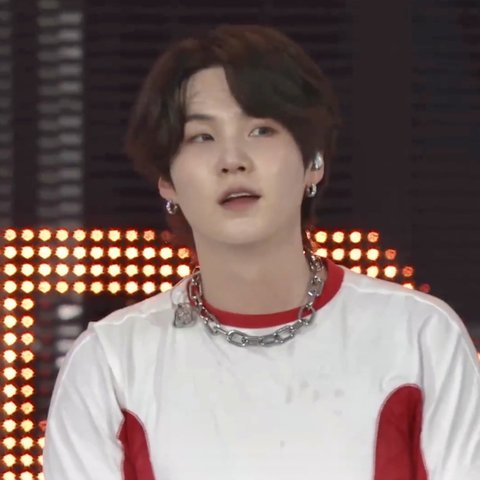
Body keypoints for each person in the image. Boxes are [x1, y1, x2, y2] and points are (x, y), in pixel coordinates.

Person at [42, 24, 480, 479]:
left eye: (261, 130)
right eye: (202, 137)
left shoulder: (421, 337)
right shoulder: (110, 363)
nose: (233, 160)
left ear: (313, 162)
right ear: (167, 180)